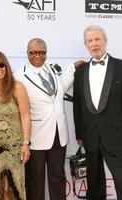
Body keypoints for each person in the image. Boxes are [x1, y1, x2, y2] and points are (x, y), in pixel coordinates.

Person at [14, 38, 83, 200]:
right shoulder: (19, 76)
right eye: (33, 52)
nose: (37, 55)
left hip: (59, 134)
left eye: (41, 52)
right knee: (36, 180)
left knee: (58, 178)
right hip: (36, 136)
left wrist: (73, 67)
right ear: (27, 53)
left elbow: (61, 87)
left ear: (46, 53)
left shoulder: (51, 70)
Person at [73, 25, 122, 200]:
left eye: (97, 39)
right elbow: (77, 105)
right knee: (94, 182)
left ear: (105, 41)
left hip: (116, 134)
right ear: (86, 45)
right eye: (90, 41)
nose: (94, 44)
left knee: (121, 179)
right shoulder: (80, 73)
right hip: (90, 134)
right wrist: (79, 133)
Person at [0, 50, 31, 200]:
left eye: (1, 64)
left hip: (14, 149)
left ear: (6, 66)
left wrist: (26, 144)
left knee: (13, 189)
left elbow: (25, 116)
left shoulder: (17, 87)